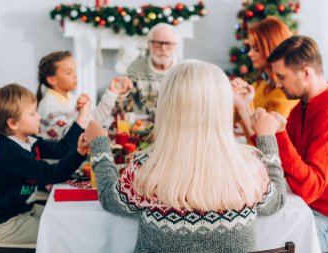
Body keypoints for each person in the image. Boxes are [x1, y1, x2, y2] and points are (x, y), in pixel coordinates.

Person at [83, 60, 286, 252]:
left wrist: (100, 145)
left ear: (166, 108)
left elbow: (111, 199)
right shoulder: (248, 167)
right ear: (223, 107)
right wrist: (266, 137)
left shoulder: (146, 169)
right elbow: (275, 202)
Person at [0, 83, 90, 243]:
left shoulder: (28, 140)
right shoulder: (10, 153)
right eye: (32, 114)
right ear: (13, 123)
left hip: (23, 209)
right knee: (64, 231)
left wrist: (82, 115)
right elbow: (52, 174)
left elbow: (61, 149)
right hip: (5, 224)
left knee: (68, 217)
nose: (39, 117)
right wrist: (80, 152)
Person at [260, 35, 328, 253]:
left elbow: (310, 189)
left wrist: (279, 133)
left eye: (282, 76)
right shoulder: (301, 107)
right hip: (305, 208)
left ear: (306, 72)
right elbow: (280, 164)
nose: (277, 83)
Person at [36, 51, 132, 140]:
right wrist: (83, 112)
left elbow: (93, 121)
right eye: (69, 73)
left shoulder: (70, 98)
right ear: (52, 80)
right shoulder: (49, 107)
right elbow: (73, 137)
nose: (75, 76)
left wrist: (112, 92)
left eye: (75, 71)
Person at [232, 16, 298, 143]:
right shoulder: (259, 84)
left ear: (272, 48)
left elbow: (267, 146)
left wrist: (243, 104)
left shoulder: (286, 95)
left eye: (256, 48)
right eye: (250, 47)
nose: (250, 54)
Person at [117, 23, 178, 117]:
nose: (163, 48)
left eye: (168, 43)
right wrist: (122, 94)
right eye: (157, 43)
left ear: (175, 46)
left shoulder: (182, 71)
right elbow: (123, 105)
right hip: (140, 126)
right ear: (149, 45)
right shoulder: (135, 68)